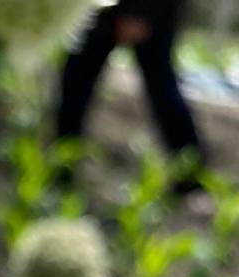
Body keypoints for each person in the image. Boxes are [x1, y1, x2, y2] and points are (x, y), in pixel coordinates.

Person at [56, 0, 206, 188]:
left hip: (142, 11)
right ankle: (60, 169)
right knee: (75, 86)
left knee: (162, 90)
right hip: (105, 10)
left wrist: (139, 11)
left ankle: (190, 174)